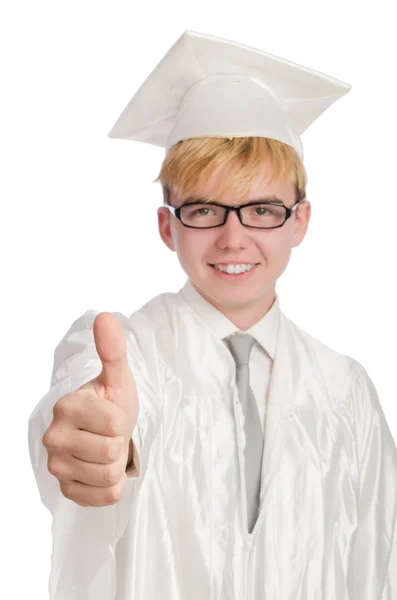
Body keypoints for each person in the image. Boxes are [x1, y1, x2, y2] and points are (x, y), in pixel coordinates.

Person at [28, 30, 397, 600]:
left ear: (300, 222)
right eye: (204, 209)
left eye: (262, 210)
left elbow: (380, 564)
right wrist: (98, 448)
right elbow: (81, 413)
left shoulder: (345, 391)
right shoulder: (131, 356)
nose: (233, 238)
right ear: (167, 226)